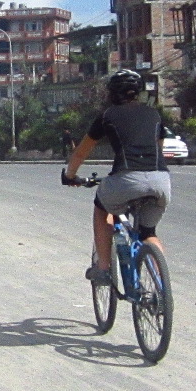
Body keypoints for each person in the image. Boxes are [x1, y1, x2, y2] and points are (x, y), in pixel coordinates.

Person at [64, 69, 171, 286]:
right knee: (148, 232)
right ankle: (162, 286)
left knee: (101, 207)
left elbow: (82, 152)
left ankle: (103, 268)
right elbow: (159, 149)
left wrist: (70, 175)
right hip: (161, 180)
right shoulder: (154, 115)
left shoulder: (108, 115)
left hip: (127, 179)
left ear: (112, 93)